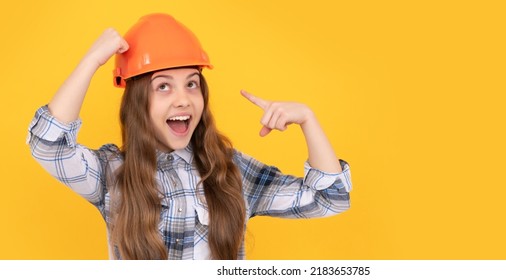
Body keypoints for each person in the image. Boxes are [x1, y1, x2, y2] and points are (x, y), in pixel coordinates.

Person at [26, 13, 351, 260]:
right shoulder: (113, 173)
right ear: (139, 102)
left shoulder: (231, 172)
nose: (183, 99)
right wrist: (91, 62)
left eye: (191, 83)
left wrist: (308, 120)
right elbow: (48, 144)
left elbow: (330, 198)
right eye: (163, 86)